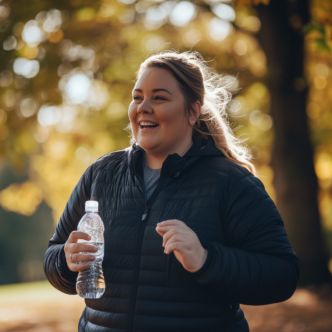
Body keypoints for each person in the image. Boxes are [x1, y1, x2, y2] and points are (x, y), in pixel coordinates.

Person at [44, 50, 300, 332]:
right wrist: (67, 261)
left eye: (159, 97)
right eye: (137, 97)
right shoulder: (100, 174)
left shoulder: (231, 183)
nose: (143, 107)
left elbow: (283, 275)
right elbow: (53, 254)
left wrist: (206, 259)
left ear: (192, 111)